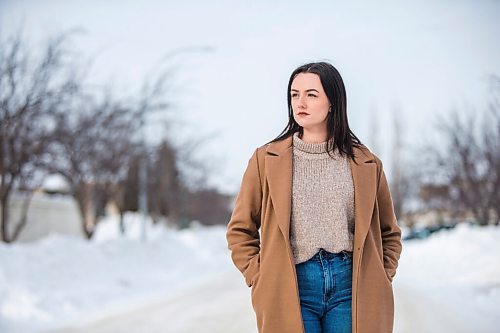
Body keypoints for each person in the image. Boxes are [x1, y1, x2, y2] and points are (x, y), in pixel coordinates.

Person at [226, 61, 402, 333]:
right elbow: (240, 229)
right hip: (291, 284)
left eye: (311, 94)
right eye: (295, 95)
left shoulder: (367, 164)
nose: (300, 102)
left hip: (351, 286)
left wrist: (382, 274)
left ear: (333, 102)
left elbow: (389, 232)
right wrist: (259, 276)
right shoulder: (266, 159)